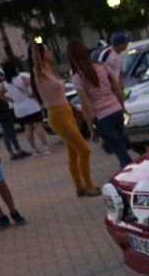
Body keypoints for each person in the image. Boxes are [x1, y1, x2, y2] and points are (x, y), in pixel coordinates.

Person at [30, 41, 100, 197]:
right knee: (84, 150)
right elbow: (35, 58)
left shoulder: (50, 72)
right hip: (57, 116)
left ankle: (80, 187)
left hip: (67, 112)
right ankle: (88, 186)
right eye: (48, 50)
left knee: (73, 153)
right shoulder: (39, 71)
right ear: (41, 55)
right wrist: (36, 43)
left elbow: (59, 94)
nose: (51, 52)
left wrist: (72, 107)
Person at [67, 38, 132, 169]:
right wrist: (123, 108)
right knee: (121, 148)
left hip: (103, 118)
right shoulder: (102, 66)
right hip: (117, 110)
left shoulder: (78, 78)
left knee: (120, 152)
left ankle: (132, 175)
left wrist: (92, 129)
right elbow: (117, 89)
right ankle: (132, 173)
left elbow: (86, 107)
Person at [2, 61, 51, 156]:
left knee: (27, 129)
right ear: (14, 68)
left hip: (19, 109)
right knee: (38, 127)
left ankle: (34, 150)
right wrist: (34, 94)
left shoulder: (6, 83)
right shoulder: (21, 77)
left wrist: (12, 100)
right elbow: (34, 84)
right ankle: (46, 147)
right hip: (31, 105)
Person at [0, 63, 28, 160]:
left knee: (11, 129)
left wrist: (8, 99)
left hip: (3, 106)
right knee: (7, 131)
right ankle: (11, 153)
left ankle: (19, 150)